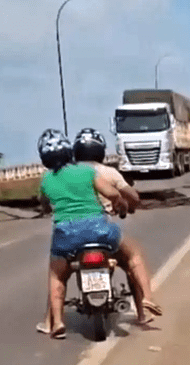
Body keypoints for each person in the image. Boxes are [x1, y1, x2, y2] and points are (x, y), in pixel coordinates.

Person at [35, 129, 161, 339]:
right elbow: (113, 193)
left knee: (56, 274)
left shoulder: (47, 180)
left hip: (67, 236)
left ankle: (56, 322)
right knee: (133, 254)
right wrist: (120, 204)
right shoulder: (88, 173)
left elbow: (44, 204)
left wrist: (50, 208)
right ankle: (147, 299)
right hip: (99, 230)